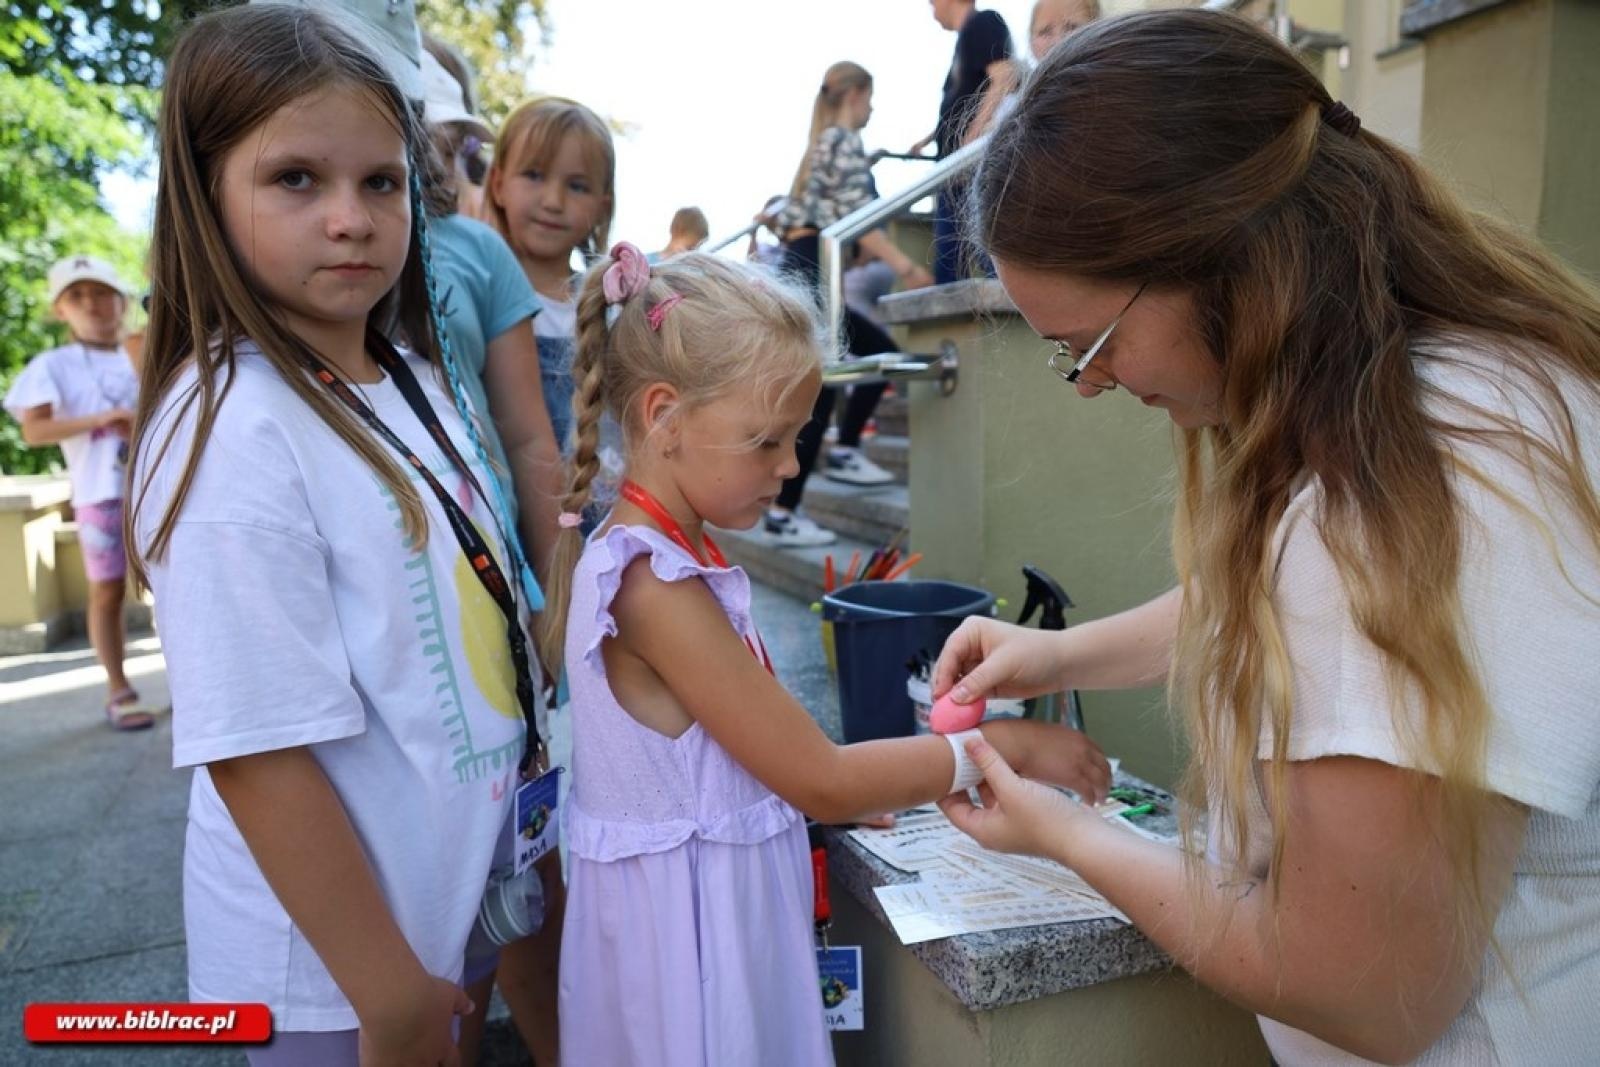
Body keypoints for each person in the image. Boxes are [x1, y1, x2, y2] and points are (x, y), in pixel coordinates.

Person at [933, 11, 1600, 1064]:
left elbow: (1361, 988)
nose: (1093, 385)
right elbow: (1290, 604)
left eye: (1090, 346)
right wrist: (1058, 654)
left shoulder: (1414, 479)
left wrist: (1069, 833)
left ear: (1214, 254)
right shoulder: (1454, 389)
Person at [536, 242, 1111, 1065]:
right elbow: (822, 775)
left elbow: (735, 762)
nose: (790, 464)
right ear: (665, 416)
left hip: (696, 925)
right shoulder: (654, 584)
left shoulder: (665, 556)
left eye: (797, 436)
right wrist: (1005, 746)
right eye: (766, 439)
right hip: (694, 953)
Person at [127, 7, 546, 1064]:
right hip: (334, 977)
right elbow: (256, 749)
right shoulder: (232, 427)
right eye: (296, 179)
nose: (352, 219)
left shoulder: (407, 376)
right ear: (204, 194)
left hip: (440, 911)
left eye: (382, 182)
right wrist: (387, 989)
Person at [415, 45, 566, 1067]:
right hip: (391, 607)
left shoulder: (476, 251)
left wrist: (554, 598)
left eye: (450, 137)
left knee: (522, 867)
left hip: (492, 595)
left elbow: (528, 439)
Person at [769, 61, 933, 545]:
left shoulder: (819, 144)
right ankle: (798, 495)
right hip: (811, 269)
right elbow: (858, 215)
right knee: (849, 373)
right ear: (855, 94)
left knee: (826, 386)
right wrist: (908, 268)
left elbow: (822, 219)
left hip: (804, 267)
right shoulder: (842, 139)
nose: (872, 109)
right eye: (871, 98)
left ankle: (789, 504)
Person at [5, 255, 156, 731]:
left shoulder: (145, 349)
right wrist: (99, 420)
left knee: (171, 584)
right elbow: (34, 429)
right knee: (108, 590)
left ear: (123, 301)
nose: (92, 304)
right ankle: (118, 689)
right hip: (99, 495)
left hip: (155, 488)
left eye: (102, 292)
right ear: (60, 309)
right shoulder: (53, 365)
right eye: (77, 295)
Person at [910, 0, 1013, 284]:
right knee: (953, 253)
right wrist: (930, 138)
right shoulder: (966, 38)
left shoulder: (984, 23)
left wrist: (971, 140)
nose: (932, 10)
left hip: (969, 166)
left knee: (977, 249)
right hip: (953, 167)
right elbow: (962, 101)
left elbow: (1004, 78)